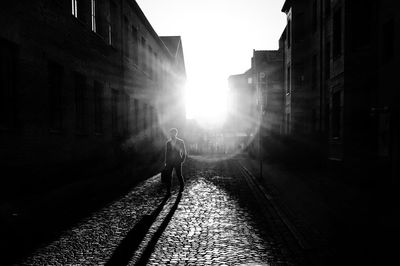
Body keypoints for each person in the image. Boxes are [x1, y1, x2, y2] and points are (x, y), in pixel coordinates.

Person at [164, 128, 186, 194]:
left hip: (177, 161)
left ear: (176, 133)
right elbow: (167, 153)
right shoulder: (168, 143)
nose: (172, 134)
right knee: (169, 176)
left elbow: (184, 151)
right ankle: (168, 191)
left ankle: (182, 186)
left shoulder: (180, 141)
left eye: (173, 133)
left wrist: (182, 159)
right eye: (171, 133)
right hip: (169, 162)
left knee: (179, 175)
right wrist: (166, 162)